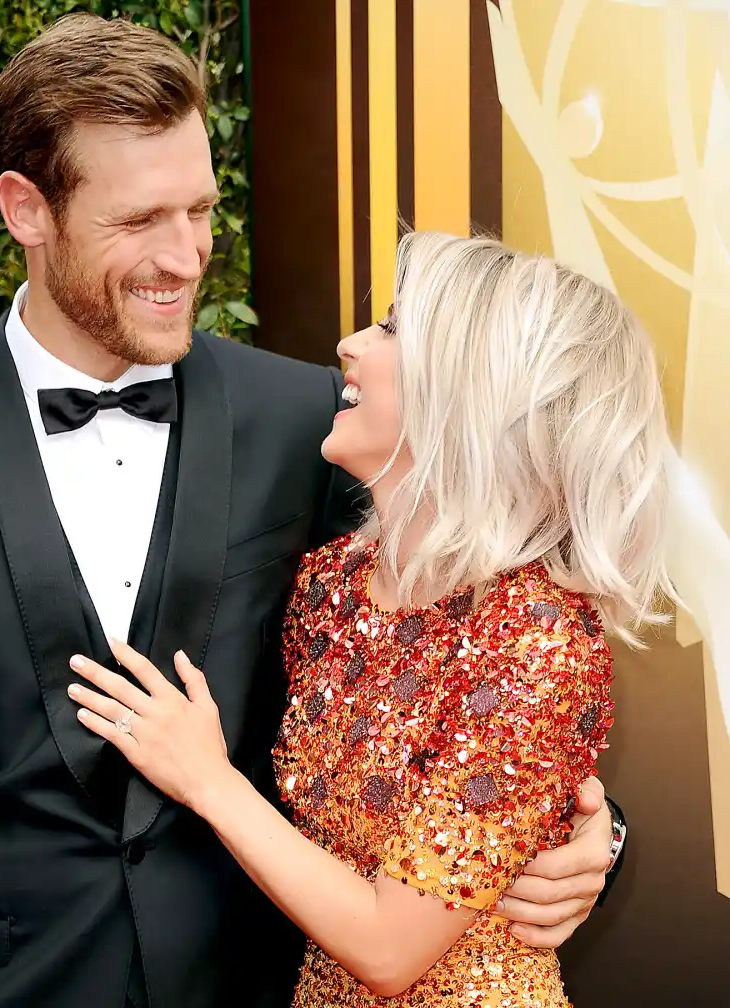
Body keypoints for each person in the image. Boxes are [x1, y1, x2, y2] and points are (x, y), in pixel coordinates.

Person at [0, 16, 620, 1008]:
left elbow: (478, 640)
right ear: (27, 209)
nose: (185, 257)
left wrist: (589, 831)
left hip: (256, 982)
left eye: (201, 211)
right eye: (140, 220)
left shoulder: (307, 421)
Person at [65, 231, 667, 1007]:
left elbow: (389, 947)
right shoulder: (330, 584)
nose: (348, 344)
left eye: (390, 327)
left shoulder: (535, 634)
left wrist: (206, 779)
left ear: (469, 391)